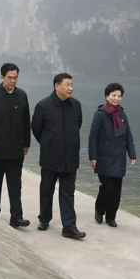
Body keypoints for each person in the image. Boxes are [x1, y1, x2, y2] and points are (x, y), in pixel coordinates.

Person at [31, 72, 86, 239]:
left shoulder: (76, 105)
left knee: (68, 192)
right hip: (50, 157)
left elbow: (78, 125)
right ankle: (44, 219)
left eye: (72, 85)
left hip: (70, 157)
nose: (70, 88)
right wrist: (48, 143)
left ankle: (69, 226)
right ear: (57, 86)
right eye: (67, 85)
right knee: (47, 190)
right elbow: (36, 128)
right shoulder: (43, 105)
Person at [0, 63, 31, 228]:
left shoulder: (22, 95)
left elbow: (26, 122)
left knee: (15, 185)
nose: (13, 81)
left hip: (16, 150)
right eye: (10, 78)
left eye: (15, 78)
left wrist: (26, 143)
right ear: (2, 77)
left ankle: (16, 216)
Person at [88, 82, 137, 227]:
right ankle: (99, 209)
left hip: (119, 158)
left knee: (116, 190)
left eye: (119, 96)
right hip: (104, 157)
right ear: (107, 96)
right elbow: (93, 137)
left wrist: (132, 154)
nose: (116, 98)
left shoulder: (122, 114)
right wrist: (93, 156)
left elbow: (128, 135)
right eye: (113, 95)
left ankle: (111, 217)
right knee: (107, 187)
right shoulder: (100, 115)